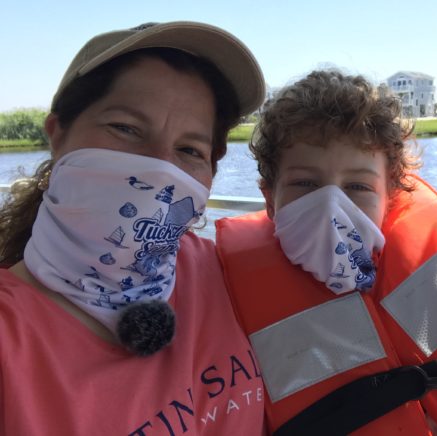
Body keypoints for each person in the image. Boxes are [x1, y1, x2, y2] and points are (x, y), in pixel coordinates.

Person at [216, 70, 437, 435]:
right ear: (269, 197)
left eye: (357, 185)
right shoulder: (226, 294)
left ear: (390, 196)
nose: (330, 204)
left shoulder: (434, 264)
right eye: (305, 184)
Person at [0, 22, 267, 435]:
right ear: (58, 136)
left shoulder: (222, 269)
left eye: (189, 149)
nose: (160, 167)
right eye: (125, 128)